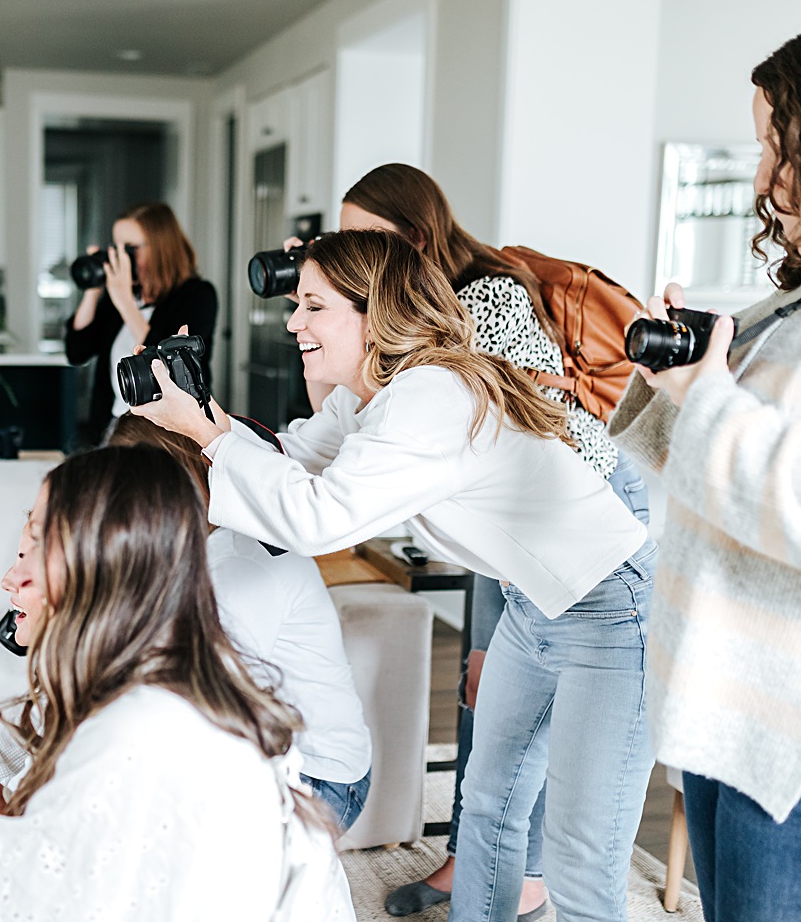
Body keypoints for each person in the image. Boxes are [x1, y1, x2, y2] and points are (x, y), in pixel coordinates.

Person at [136, 228, 658, 922]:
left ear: (371, 309)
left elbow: (318, 516)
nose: (293, 322)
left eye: (314, 306)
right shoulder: (378, 396)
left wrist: (209, 436)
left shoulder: (429, 397)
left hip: (611, 604)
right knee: (492, 806)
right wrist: (201, 412)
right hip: (534, 603)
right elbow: (290, 454)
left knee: (582, 857)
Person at [608, 7, 801, 922]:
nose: (764, 181)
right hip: (736, 713)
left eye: (777, 149)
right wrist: (683, 379)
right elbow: (727, 463)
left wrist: (706, 402)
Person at [0, 446, 355, 921]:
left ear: (100, 571)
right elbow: (0, 831)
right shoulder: (154, 678)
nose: (10, 577)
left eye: (34, 548)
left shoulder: (143, 732)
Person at [329, 163, 650, 919]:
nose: (353, 260)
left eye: (360, 242)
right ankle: (484, 874)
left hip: (585, 516)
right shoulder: (413, 312)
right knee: (494, 755)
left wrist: (489, 631)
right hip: (517, 531)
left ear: (412, 239)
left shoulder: (486, 295)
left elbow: (512, 446)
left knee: (574, 797)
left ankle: (531, 879)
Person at [107, 413, 373, 831]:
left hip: (319, 777)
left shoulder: (241, 564)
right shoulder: (199, 541)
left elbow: (204, 704)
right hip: (266, 746)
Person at [64, 201, 218, 443]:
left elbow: (170, 365)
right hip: (114, 429)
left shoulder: (196, 295)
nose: (121, 257)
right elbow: (76, 352)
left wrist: (124, 301)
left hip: (167, 435)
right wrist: (93, 290)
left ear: (160, 248)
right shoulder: (120, 296)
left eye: (131, 248)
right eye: (117, 247)